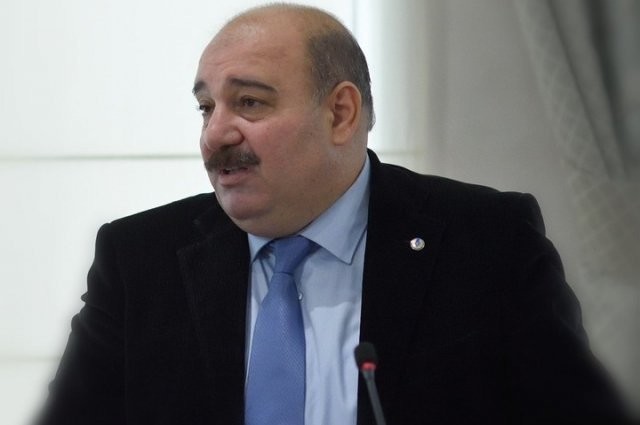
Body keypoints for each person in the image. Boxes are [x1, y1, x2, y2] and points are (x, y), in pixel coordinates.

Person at [36, 4, 630, 425]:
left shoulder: (486, 244)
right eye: (206, 107)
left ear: (341, 113)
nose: (216, 133)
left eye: (249, 102)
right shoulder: (140, 260)